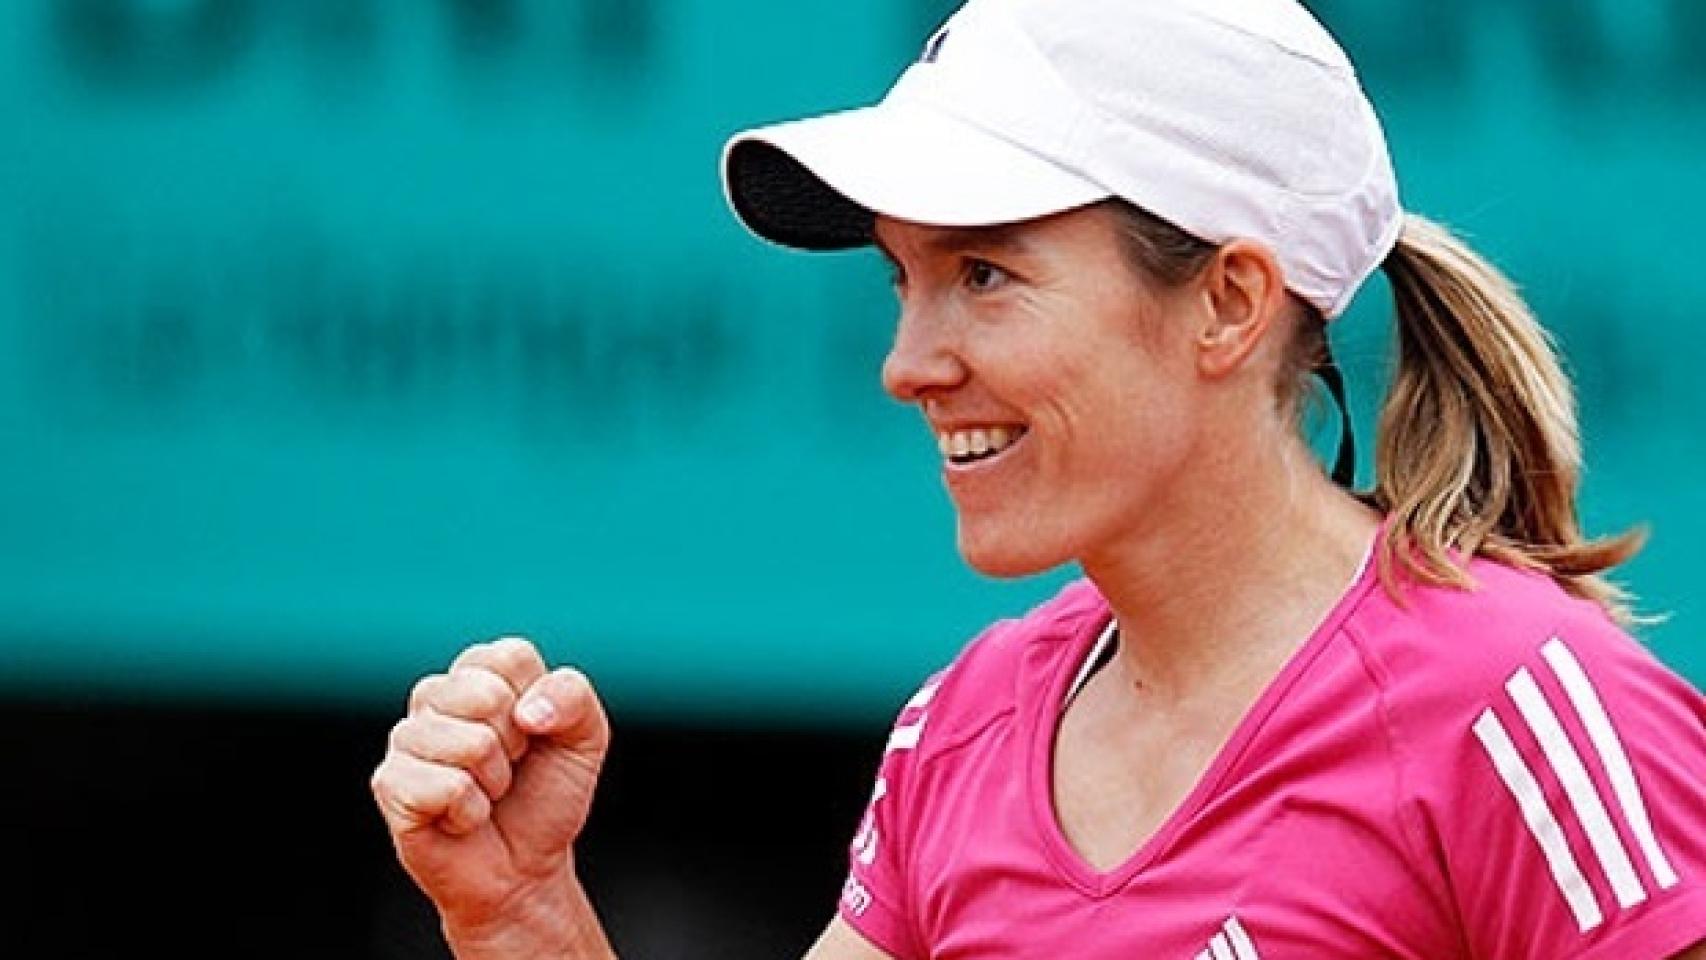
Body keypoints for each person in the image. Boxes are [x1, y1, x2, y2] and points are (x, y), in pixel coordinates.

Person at [369, 0, 1706, 956]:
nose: (907, 362)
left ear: (1228, 304)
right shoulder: (959, 730)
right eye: (905, 279)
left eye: (986, 276)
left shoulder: (1521, 709)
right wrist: (523, 910)